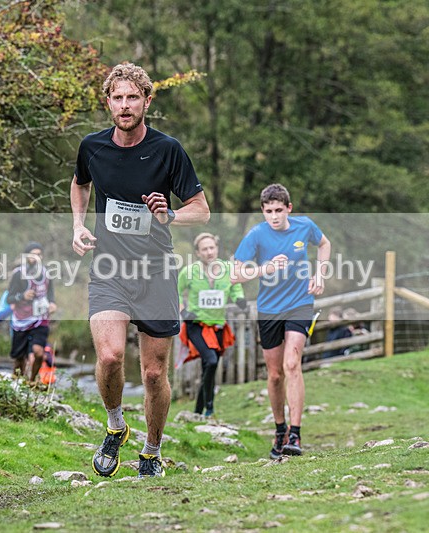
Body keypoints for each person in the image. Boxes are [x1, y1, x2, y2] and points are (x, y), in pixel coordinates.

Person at [70, 63, 210, 478]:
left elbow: (200, 211)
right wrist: (77, 226)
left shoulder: (168, 150)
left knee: (152, 374)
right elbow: (80, 183)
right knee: (110, 356)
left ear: (147, 101)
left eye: (133, 97)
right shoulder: (92, 146)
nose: (125, 105)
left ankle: (151, 451)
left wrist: (169, 216)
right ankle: (116, 427)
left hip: (157, 271)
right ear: (107, 102)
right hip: (110, 268)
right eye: (118, 98)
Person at [232, 183, 331, 459]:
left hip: (300, 304)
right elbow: (234, 275)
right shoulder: (256, 235)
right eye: (268, 211)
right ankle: (280, 429)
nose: (274, 216)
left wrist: (320, 275)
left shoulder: (305, 226)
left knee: (292, 364)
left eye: (278, 210)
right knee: (275, 374)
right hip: (269, 309)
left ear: (289, 208)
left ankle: (296, 435)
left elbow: (324, 244)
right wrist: (263, 269)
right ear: (263, 212)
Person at [178, 232, 245, 417]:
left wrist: (239, 299)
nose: (209, 252)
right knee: (211, 361)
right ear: (198, 253)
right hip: (196, 325)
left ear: (217, 249)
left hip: (218, 326)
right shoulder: (189, 272)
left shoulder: (227, 269)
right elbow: (175, 291)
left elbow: (236, 286)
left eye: (211, 248)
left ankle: (198, 411)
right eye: (204, 249)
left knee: (209, 366)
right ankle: (209, 408)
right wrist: (183, 311)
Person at [6, 242, 57, 382]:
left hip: (40, 318)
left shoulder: (46, 273)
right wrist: (22, 296)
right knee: (18, 358)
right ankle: (18, 384)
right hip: (21, 320)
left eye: (39, 254)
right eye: (33, 254)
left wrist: (52, 303)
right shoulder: (18, 275)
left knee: (38, 352)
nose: (36, 257)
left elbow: (50, 293)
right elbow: (9, 299)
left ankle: (32, 381)